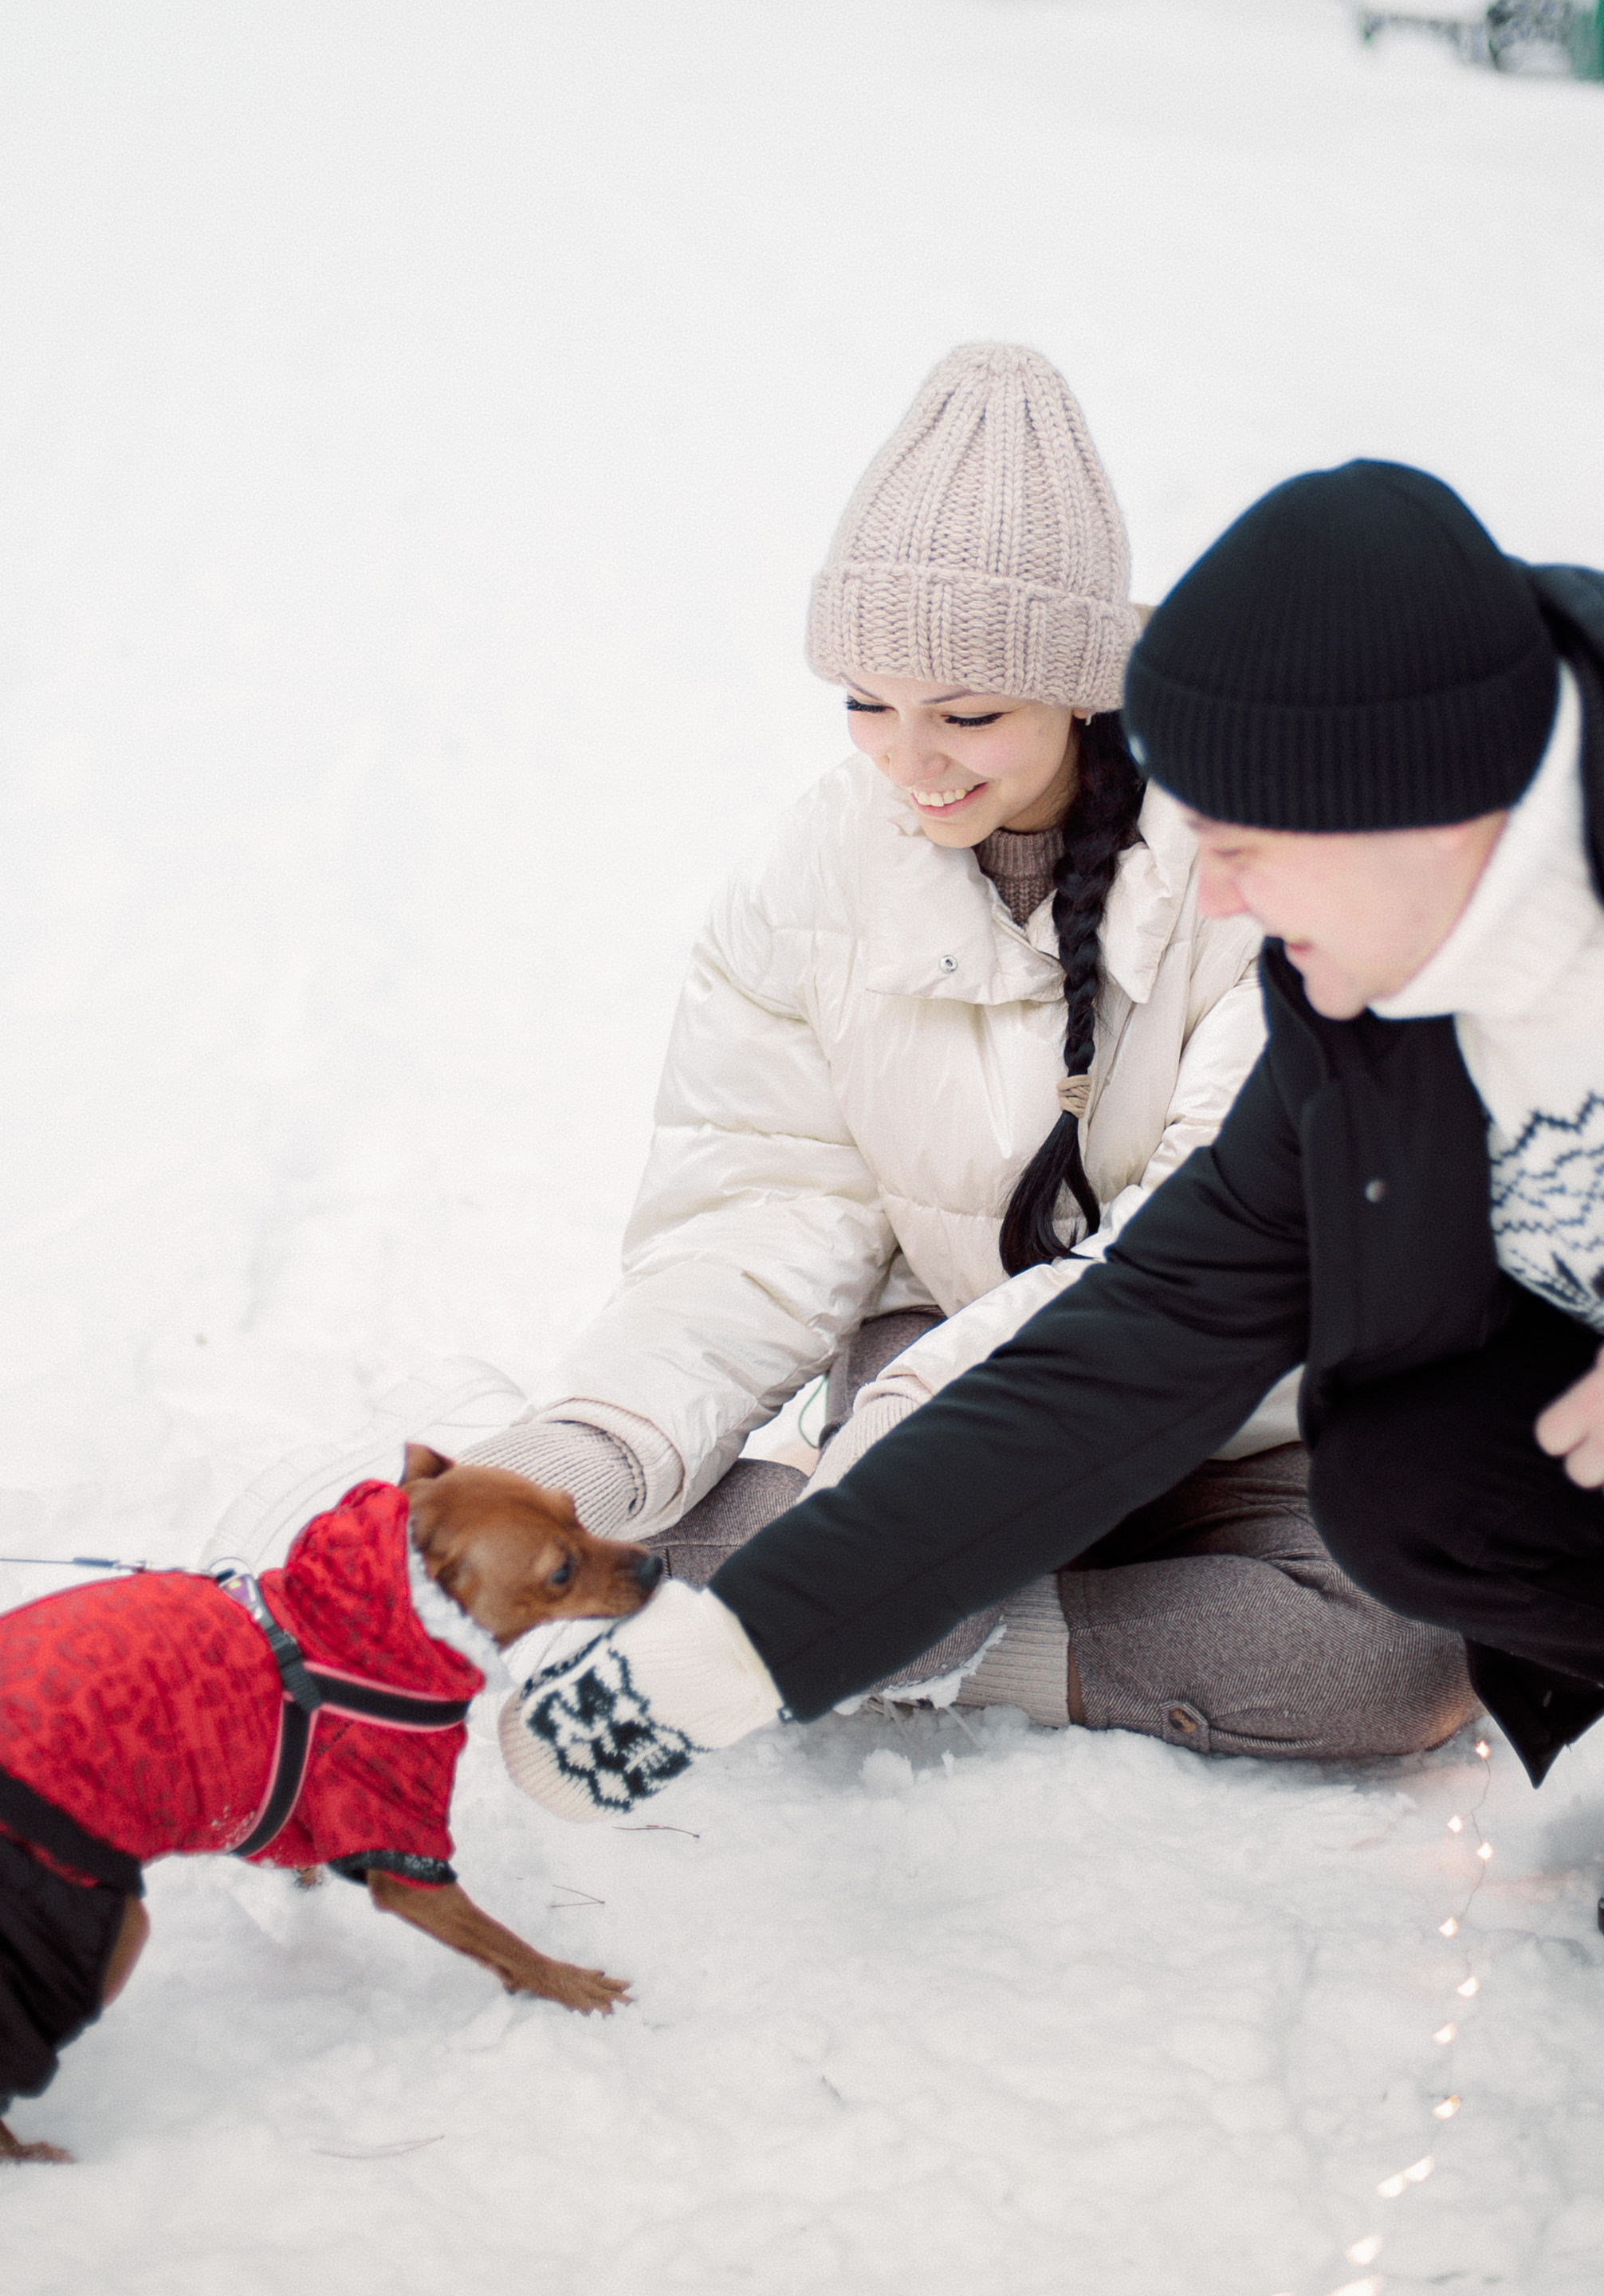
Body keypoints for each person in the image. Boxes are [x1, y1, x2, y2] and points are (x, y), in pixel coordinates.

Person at [501, 458, 1604, 2172]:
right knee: (1410, 1479)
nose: (1211, 901)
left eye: (1244, 848)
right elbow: (1139, 1338)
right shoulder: (1361, 976)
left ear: (1422, 816)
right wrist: (736, 1653)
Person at [470, 346, 1468, 1761]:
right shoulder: (814, 870)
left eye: (969, 713)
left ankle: (919, 1623)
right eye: (867, 702)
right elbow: (760, 1212)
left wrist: (927, 1525)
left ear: (1075, 685)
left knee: (1403, 1662)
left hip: (1232, 1404)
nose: (908, 758)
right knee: (893, 1573)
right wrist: (588, 1449)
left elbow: (1216, 1248)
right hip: (929, 1357)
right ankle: (620, 1551)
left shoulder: (1253, 862)